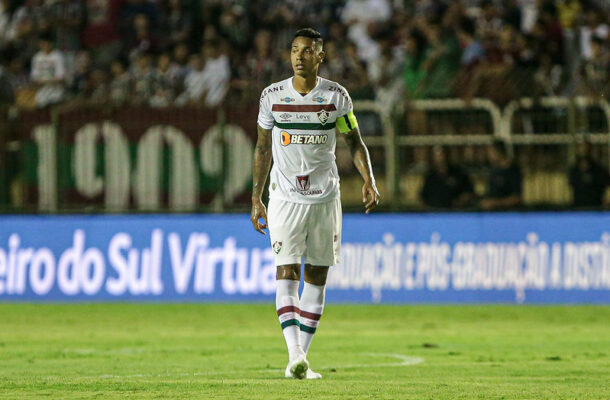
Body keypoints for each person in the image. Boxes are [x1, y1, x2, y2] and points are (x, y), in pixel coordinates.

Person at [250, 28, 379, 380]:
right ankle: (295, 355)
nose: (299, 56)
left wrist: (369, 179)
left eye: (307, 51)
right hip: (284, 197)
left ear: (320, 57)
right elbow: (262, 148)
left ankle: (299, 361)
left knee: (317, 277)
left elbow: (355, 142)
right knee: (286, 271)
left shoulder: (336, 97)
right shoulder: (272, 96)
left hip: (325, 198)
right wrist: (256, 197)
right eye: (294, 50)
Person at [480, 140, 522, 210]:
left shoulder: (513, 171)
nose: (489, 156)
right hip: (492, 214)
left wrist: (495, 203)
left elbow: (517, 199)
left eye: (490, 152)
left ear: (498, 152)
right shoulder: (494, 171)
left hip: (507, 214)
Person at [568, 141, 610, 208]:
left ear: (590, 150)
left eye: (585, 149)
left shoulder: (599, 170)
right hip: (578, 207)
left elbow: (607, 184)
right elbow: (571, 186)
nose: (583, 151)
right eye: (581, 149)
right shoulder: (574, 170)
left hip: (596, 207)